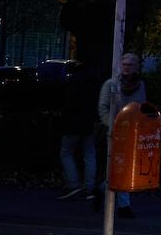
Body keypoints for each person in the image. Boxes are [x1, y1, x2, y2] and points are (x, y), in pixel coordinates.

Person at [97, 53, 146, 220]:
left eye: (130, 65)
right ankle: (120, 202)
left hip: (130, 132)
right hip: (113, 131)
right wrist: (111, 126)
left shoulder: (139, 86)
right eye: (124, 64)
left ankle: (115, 199)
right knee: (114, 165)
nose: (127, 67)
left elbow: (141, 107)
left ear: (136, 67)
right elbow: (103, 108)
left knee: (123, 167)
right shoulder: (111, 84)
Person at [56, 61, 99, 201]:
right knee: (89, 153)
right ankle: (89, 187)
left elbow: (67, 103)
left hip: (72, 124)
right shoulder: (92, 82)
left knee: (66, 152)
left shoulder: (72, 82)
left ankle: (73, 183)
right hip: (87, 124)